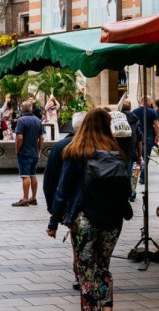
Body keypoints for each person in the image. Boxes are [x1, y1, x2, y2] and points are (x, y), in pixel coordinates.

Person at [47, 108, 132, 311]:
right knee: (103, 267)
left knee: (86, 271)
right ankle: (107, 307)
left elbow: (62, 190)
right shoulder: (116, 152)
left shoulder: (76, 151)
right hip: (113, 219)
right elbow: (127, 189)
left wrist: (54, 221)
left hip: (85, 219)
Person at [43, 112, 87, 292]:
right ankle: (93, 276)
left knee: (78, 243)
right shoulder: (103, 145)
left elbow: (52, 181)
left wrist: (53, 211)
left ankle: (81, 275)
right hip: (102, 208)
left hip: (72, 207)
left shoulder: (63, 145)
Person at [13, 100, 44, 207]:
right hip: (34, 152)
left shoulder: (21, 121)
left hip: (24, 152)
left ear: (22, 109)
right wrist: (39, 150)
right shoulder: (37, 120)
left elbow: (19, 137)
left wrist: (17, 149)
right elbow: (41, 138)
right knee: (33, 175)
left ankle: (25, 198)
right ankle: (34, 198)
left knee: (25, 176)